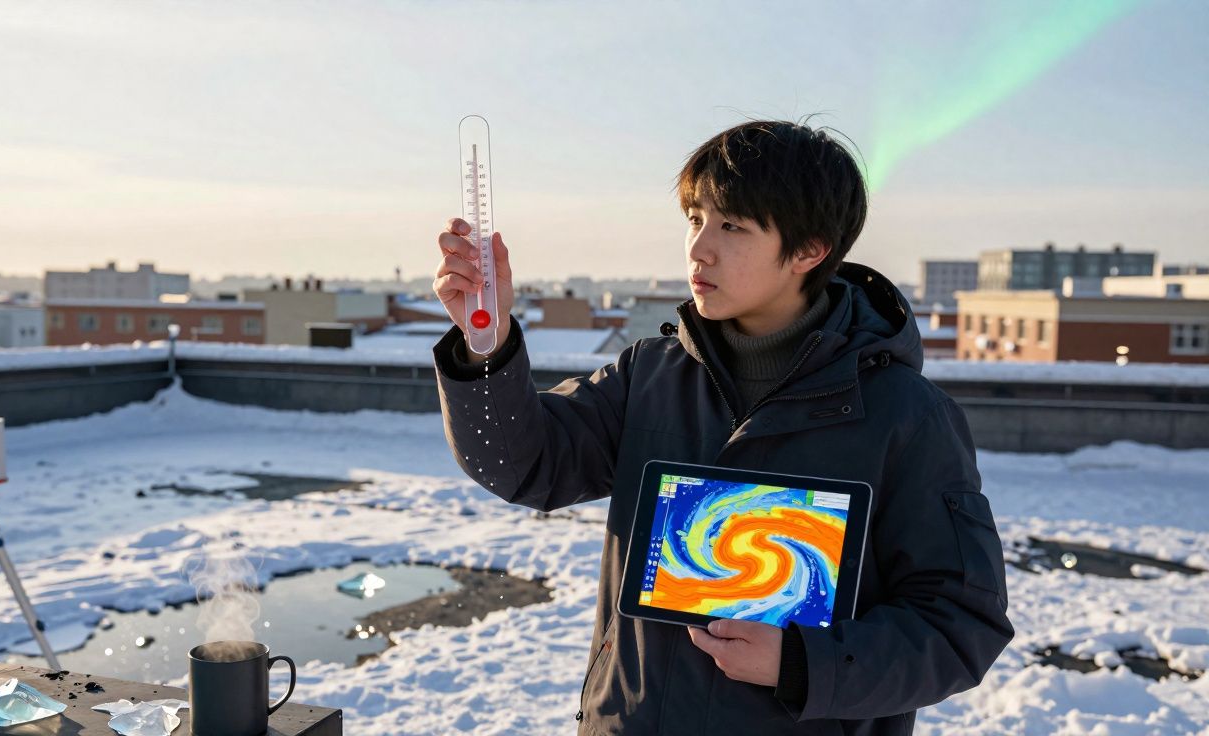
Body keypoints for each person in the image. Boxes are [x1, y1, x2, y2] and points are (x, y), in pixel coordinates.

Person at [431, 120, 1013, 735]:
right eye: (695, 218)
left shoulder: (906, 415)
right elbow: (521, 465)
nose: (698, 248)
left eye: (732, 226)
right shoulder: (650, 375)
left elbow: (959, 624)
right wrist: (485, 344)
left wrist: (802, 664)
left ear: (810, 251)